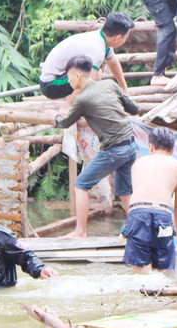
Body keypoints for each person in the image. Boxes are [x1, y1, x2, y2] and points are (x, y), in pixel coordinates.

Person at [52, 55, 140, 239]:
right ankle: (139, 230)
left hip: (114, 149)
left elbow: (65, 122)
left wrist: (55, 116)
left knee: (81, 184)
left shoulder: (82, 99)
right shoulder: (110, 84)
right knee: (124, 192)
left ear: (76, 76)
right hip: (130, 145)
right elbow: (134, 108)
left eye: (68, 77)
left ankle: (80, 231)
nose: (68, 81)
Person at [122, 127, 177, 272]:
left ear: (151, 147)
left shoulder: (137, 164)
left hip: (138, 214)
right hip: (163, 216)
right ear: (172, 150)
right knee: (164, 272)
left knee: (142, 270)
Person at [39, 11, 135, 106]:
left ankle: (76, 103)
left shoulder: (101, 38)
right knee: (92, 78)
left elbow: (113, 63)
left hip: (61, 76)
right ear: (118, 38)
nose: (125, 40)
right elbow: (86, 84)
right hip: (50, 84)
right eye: (125, 38)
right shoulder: (97, 50)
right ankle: (69, 106)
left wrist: (124, 88)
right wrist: (68, 107)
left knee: (97, 73)